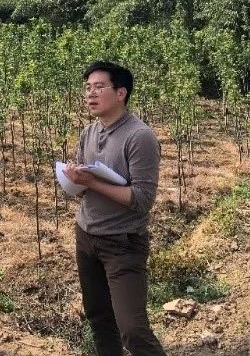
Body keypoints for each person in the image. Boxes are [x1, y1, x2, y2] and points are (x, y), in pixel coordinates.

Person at [64, 61, 166, 356]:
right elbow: (83, 188)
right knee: (99, 319)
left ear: (121, 93)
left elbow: (142, 199)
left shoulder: (139, 136)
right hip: (86, 236)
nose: (90, 94)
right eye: (87, 88)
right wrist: (73, 179)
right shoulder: (89, 132)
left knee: (132, 330)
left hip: (123, 243)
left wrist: (92, 183)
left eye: (99, 87)